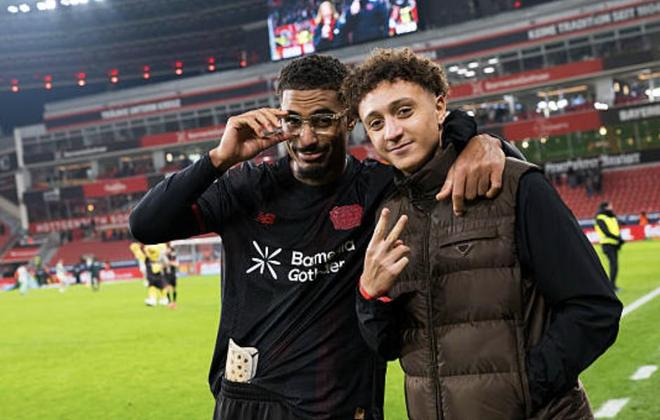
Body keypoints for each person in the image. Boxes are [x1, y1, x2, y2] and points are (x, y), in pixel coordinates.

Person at [129, 54, 520, 419]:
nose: (306, 138)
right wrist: (218, 159)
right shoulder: (246, 188)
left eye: (322, 120)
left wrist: (483, 142)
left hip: (340, 405)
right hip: (248, 401)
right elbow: (146, 225)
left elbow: (439, 147)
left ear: (349, 119)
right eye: (293, 121)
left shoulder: (378, 187)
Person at [344, 48, 622, 419]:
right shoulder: (388, 213)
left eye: (404, 111)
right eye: (376, 123)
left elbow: (594, 308)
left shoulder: (516, 186)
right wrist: (371, 296)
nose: (392, 132)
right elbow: (388, 346)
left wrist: (525, 389)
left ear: (440, 107)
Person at [595, 201, 624, 291]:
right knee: (613, 264)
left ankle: (612, 285)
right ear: (606, 207)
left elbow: (617, 228)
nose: (612, 207)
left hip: (614, 244)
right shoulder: (600, 218)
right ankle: (611, 286)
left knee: (614, 265)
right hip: (607, 244)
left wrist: (619, 239)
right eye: (610, 206)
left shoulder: (612, 217)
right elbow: (605, 231)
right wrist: (618, 238)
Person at [164, 243, 179, 309]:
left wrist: (171, 263)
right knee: (167, 288)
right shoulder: (164, 257)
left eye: (168, 249)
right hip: (166, 275)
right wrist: (166, 264)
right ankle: (169, 302)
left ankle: (174, 302)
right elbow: (161, 266)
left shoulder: (173, 256)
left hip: (173, 274)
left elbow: (177, 265)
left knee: (174, 288)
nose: (167, 250)